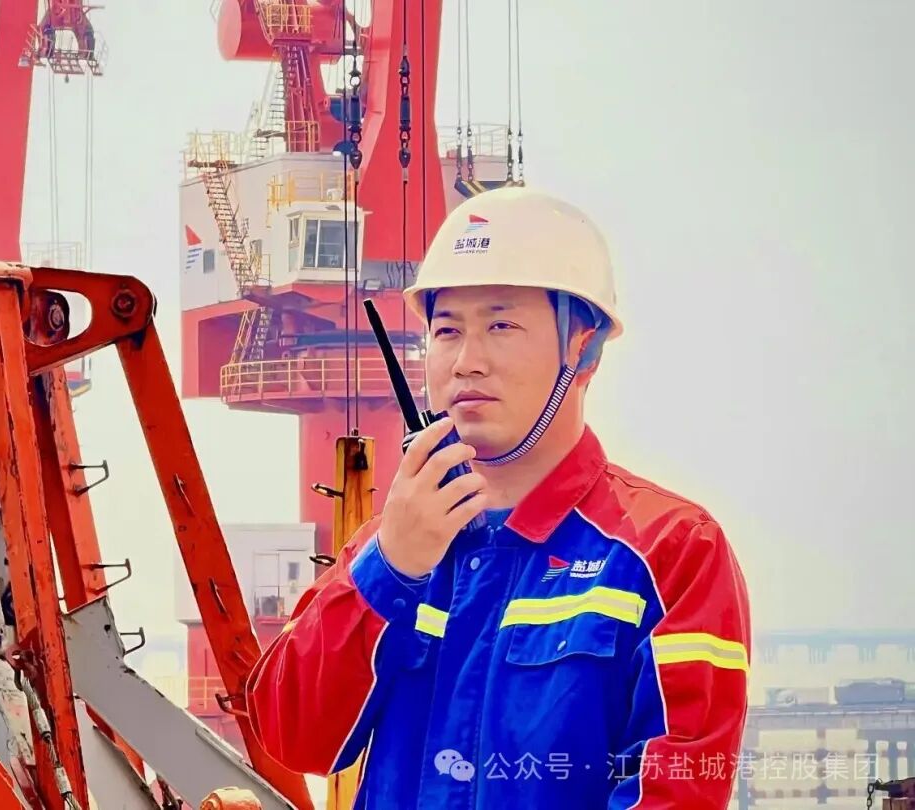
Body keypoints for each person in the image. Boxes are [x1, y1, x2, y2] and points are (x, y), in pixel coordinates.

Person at [245, 186, 752, 808]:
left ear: (583, 346)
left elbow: (676, 791)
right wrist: (390, 570)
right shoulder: (392, 546)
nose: (467, 361)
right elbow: (293, 737)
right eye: (446, 330)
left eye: (501, 325)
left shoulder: (670, 552)